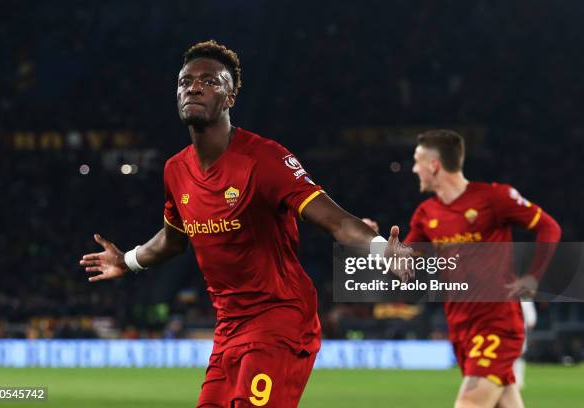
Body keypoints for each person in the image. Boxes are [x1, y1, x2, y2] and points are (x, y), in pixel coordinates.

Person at [80, 40, 409, 407]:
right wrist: (126, 260)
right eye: (185, 81)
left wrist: (382, 249)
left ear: (231, 97)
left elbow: (337, 222)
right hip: (228, 330)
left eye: (210, 81)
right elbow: (173, 239)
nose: (193, 86)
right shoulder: (176, 170)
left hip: (280, 320)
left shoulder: (265, 159)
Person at [405, 129, 561, 408]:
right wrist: (373, 242)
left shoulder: (494, 198)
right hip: (461, 327)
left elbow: (549, 227)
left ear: (434, 165)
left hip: (498, 325)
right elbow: (401, 263)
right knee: (506, 403)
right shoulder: (426, 214)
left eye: (417, 161)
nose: (414, 168)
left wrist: (534, 275)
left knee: (469, 403)